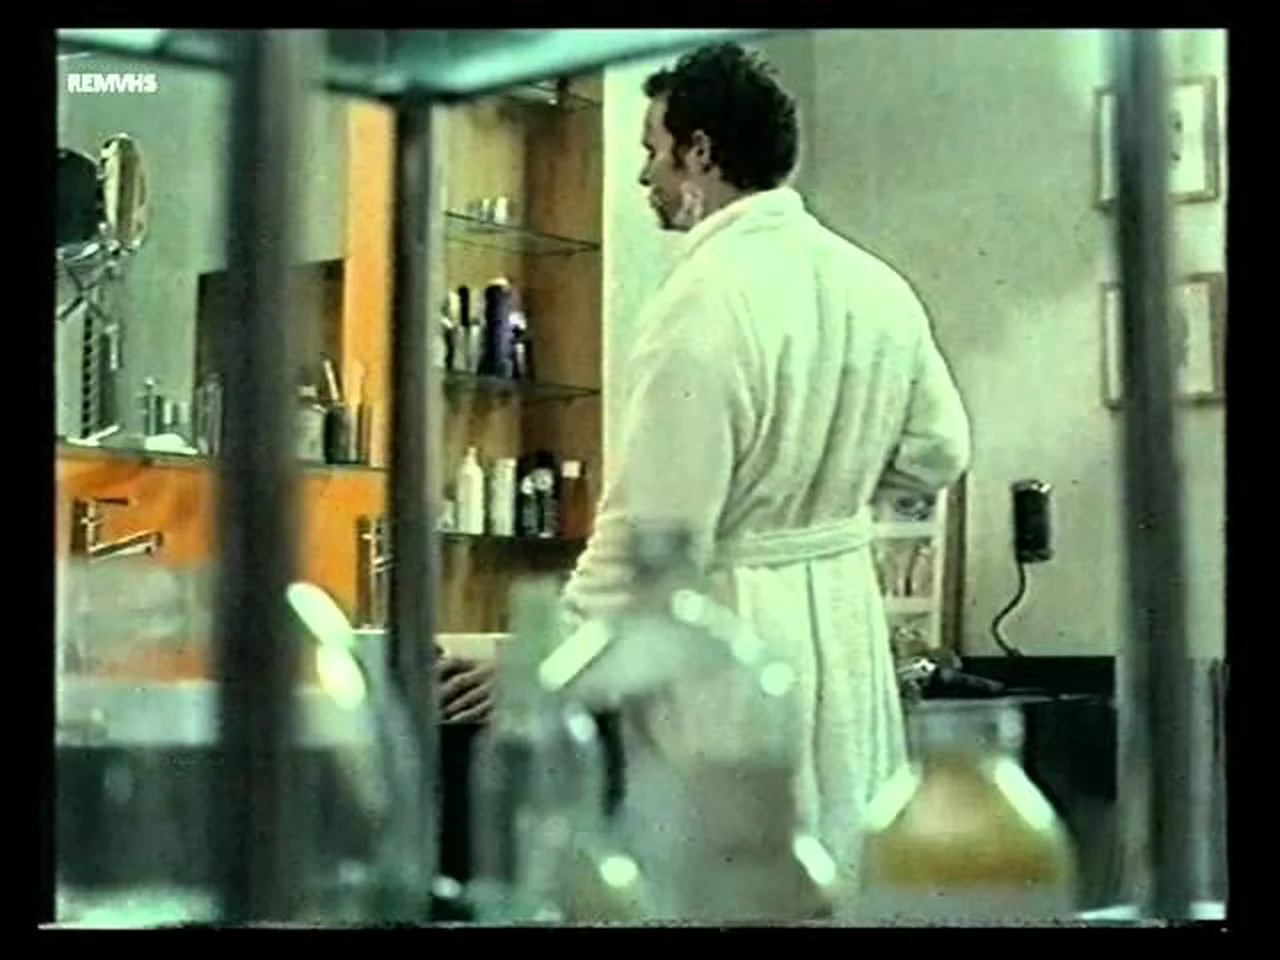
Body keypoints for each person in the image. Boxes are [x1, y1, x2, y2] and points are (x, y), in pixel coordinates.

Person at [442, 42, 972, 891]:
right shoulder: (874, 286)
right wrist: (818, 492)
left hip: (732, 640)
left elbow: (654, 534)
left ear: (700, 152)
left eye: (653, 150)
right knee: (839, 869)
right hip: (844, 625)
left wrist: (545, 662)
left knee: (727, 882)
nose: (644, 175)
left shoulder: (704, 299)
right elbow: (938, 451)